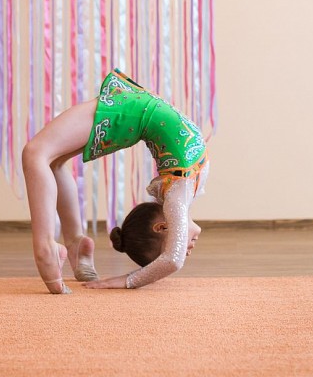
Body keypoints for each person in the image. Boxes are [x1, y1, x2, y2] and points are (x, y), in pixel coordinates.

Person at [21, 68, 209, 293]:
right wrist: (129, 280)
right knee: (49, 160)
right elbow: (173, 260)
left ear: (161, 227)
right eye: (180, 246)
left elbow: (172, 260)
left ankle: (50, 247)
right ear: (161, 226)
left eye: (177, 244)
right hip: (133, 112)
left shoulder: (178, 196)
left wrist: (127, 280)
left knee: (37, 154)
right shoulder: (180, 196)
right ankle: (69, 243)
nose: (185, 250)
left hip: (133, 112)